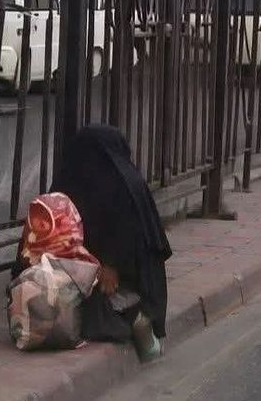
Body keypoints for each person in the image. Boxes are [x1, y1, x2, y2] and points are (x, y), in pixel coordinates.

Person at [49, 126, 170, 359]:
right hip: (90, 268)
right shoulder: (80, 179)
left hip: (124, 277)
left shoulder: (121, 187)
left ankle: (136, 318)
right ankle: (137, 319)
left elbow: (129, 235)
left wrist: (111, 264)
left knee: (91, 314)